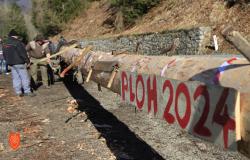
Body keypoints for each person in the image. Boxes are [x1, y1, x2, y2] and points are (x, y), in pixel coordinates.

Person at [2, 30, 35, 97]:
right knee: (24, 77)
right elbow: (23, 53)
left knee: (15, 78)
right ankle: (27, 91)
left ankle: (18, 92)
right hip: (19, 63)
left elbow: (4, 54)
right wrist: (27, 61)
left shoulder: (5, 44)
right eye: (17, 36)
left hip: (11, 63)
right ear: (15, 35)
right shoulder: (18, 42)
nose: (17, 37)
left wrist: (7, 61)